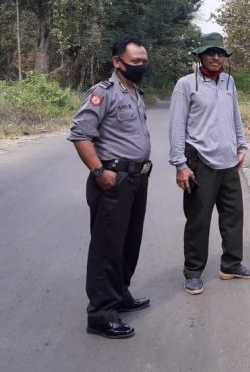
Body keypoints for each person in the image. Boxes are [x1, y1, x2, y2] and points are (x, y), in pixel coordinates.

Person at [68, 36, 152, 339]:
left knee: (129, 243)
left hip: (136, 179)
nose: (141, 66)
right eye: (135, 62)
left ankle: (120, 295)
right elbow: (81, 134)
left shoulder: (135, 92)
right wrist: (99, 171)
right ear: (117, 62)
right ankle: (101, 315)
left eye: (144, 62)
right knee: (107, 247)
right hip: (113, 181)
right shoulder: (102, 93)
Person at [169, 32, 250, 295]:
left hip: (229, 162)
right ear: (201, 56)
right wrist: (180, 164)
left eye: (220, 53)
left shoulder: (229, 82)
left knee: (233, 216)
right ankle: (193, 272)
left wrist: (241, 146)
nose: (216, 57)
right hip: (200, 163)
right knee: (198, 220)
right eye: (211, 52)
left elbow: (235, 116)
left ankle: (231, 264)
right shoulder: (186, 85)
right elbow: (176, 127)